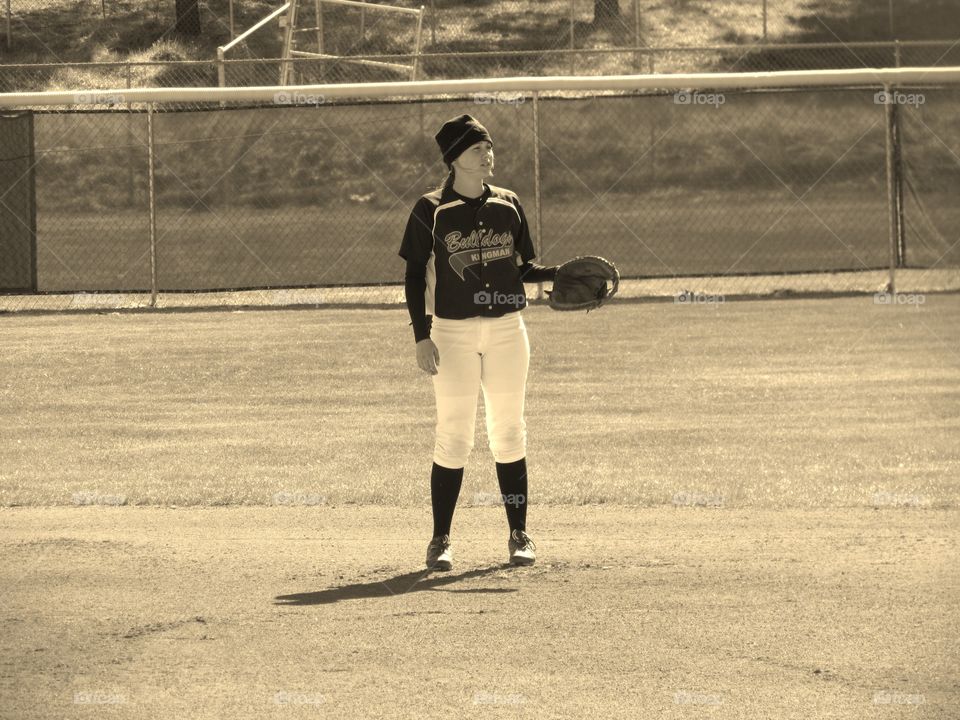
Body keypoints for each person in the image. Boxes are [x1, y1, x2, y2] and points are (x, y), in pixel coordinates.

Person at [398, 114, 559, 571]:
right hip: (452, 334)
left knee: (509, 431)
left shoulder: (508, 204)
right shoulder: (430, 209)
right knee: (454, 434)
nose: (487, 154)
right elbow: (412, 276)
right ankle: (440, 540)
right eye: (476, 149)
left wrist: (558, 276)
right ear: (454, 160)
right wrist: (421, 336)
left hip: (509, 329)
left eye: (489, 146)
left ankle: (519, 534)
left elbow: (524, 269)